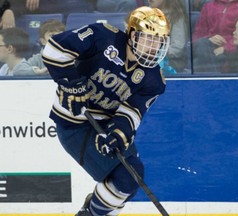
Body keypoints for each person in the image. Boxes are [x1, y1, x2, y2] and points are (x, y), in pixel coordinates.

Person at [42, 6, 170, 216]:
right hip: (74, 123)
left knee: (131, 179)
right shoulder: (103, 36)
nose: (154, 46)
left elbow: (132, 113)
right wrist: (72, 83)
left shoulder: (154, 80)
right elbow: (55, 49)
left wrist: (117, 135)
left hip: (104, 124)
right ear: (131, 35)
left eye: (159, 41)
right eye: (148, 39)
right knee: (125, 179)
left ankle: (90, 211)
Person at [192, 0, 238, 72]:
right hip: (207, 47)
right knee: (201, 44)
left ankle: (213, 80)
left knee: (199, 61)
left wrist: (226, 48)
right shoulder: (208, 6)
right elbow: (198, 33)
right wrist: (209, 38)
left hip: (236, 50)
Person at [148, 0, 189, 73]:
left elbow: (177, 48)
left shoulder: (176, 16)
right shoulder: (145, 15)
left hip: (171, 63)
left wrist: (157, 52)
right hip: (147, 58)